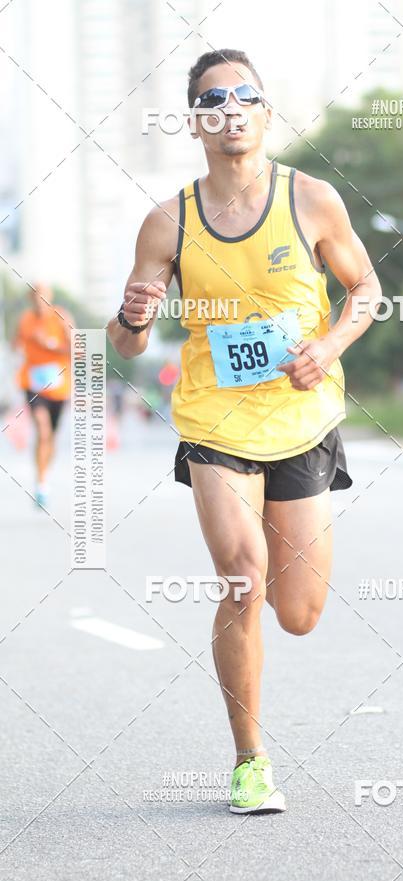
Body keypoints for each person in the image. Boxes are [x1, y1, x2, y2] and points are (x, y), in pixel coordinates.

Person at [107, 49, 380, 814]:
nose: (229, 108)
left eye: (244, 96)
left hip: (302, 420)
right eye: (212, 99)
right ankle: (250, 761)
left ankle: (260, 712)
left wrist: (329, 346)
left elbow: (365, 289)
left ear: (264, 113)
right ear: (194, 123)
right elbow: (127, 341)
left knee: (298, 613)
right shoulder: (168, 222)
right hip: (214, 422)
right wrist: (132, 317)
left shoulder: (313, 200)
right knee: (242, 576)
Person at [12, 283, 73, 508]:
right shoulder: (25, 320)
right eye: (35, 297)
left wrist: (48, 345)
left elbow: (77, 348)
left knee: (50, 438)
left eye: (43, 297)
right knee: (42, 429)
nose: (39, 301)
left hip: (59, 385)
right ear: (31, 299)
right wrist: (19, 348)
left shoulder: (61, 317)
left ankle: (44, 473)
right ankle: (41, 484)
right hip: (34, 383)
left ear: (49, 297)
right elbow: (15, 344)